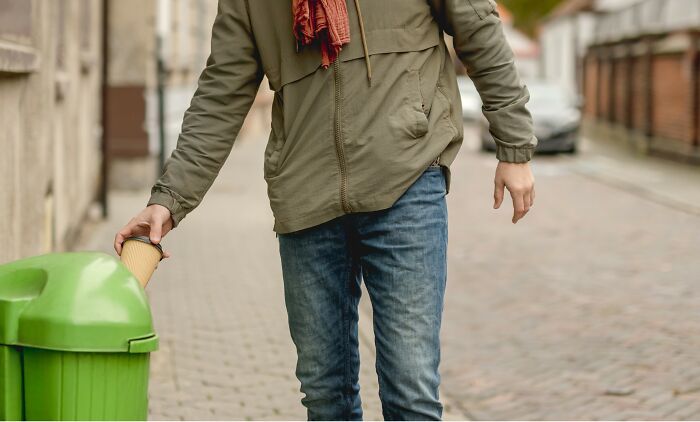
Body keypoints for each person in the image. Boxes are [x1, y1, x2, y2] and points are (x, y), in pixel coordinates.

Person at [114, 0, 536, 419]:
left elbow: (478, 28)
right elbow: (221, 93)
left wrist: (513, 146)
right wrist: (168, 200)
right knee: (325, 393)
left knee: (411, 387)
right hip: (305, 197)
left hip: (406, 180)